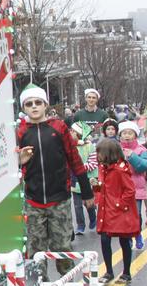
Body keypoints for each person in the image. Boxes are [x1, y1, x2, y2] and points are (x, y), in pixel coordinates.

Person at [16, 84, 94, 276]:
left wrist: (87, 192)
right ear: (24, 108)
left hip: (59, 198)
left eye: (38, 103)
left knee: (62, 246)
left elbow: (75, 160)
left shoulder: (58, 128)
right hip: (33, 200)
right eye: (29, 104)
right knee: (36, 248)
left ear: (45, 105)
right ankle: (40, 284)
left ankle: (66, 281)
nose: (34, 107)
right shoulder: (21, 132)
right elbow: (10, 167)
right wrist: (19, 161)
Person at [94, 139, 139, 284]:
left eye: (100, 152)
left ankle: (126, 272)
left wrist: (120, 204)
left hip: (119, 212)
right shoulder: (103, 168)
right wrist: (96, 187)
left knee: (124, 241)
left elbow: (130, 190)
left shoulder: (120, 170)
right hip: (107, 210)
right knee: (104, 239)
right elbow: (103, 188)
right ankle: (109, 271)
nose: (98, 155)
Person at [118, 121, 147, 250]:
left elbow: (143, 166)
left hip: (136, 188)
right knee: (124, 215)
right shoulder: (116, 149)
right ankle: (127, 238)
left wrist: (132, 156)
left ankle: (137, 234)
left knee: (136, 214)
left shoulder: (141, 150)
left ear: (135, 135)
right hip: (120, 189)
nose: (127, 136)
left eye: (130, 133)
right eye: (124, 133)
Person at [70, 122, 97, 234]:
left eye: (72, 131)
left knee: (88, 203)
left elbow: (93, 163)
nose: (70, 133)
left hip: (87, 180)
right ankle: (80, 225)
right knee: (77, 205)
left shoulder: (90, 146)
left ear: (79, 134)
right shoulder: (70, 146)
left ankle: (93, 218)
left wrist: (78, 167)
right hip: (74, 181)